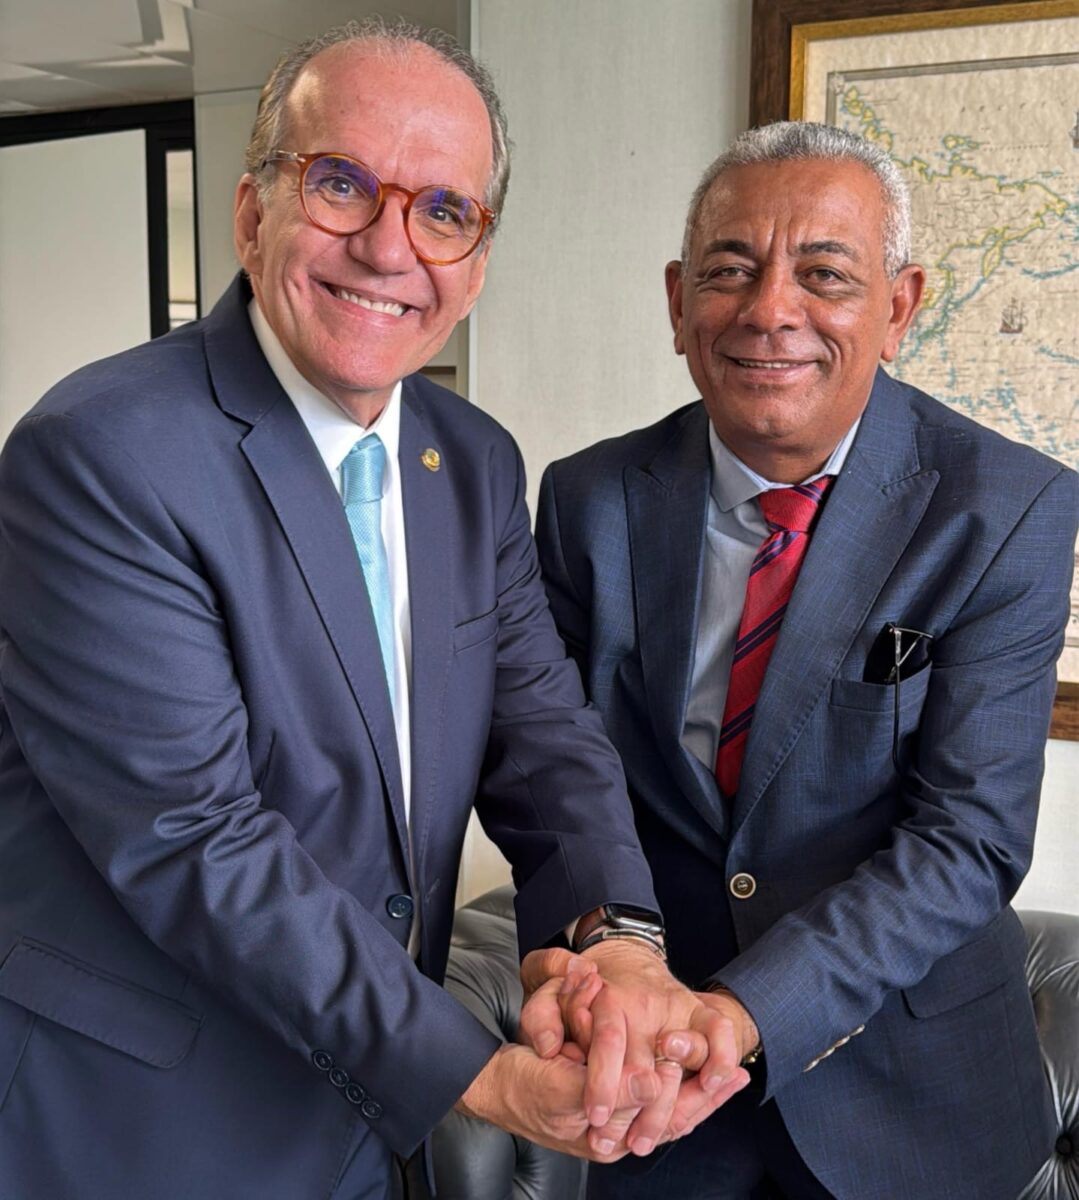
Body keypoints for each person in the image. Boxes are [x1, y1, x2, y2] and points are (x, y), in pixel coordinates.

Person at [0, 19, 744, 1200]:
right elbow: (197, 839)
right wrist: (477, 1074)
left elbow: (541, 734)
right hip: (141, 1124)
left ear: (476, 261)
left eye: (444, 211)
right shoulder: (100, 455)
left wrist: (617, 948)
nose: (390, 248)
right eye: (340, 183)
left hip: (357, 1118)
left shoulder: (473, 461)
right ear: (251, 213)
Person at [529, 121, 1078, 1200]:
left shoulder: (1006, 507)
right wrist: (601, 945)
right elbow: (556, 767)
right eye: (729, 270)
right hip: (658, 1100)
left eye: (823, 274)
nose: (768, 310)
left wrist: (742, 1015)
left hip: (913, 1105)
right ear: (678, 301)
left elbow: (966, 839)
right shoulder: (586, 499)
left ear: (899, 307)